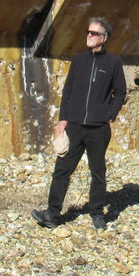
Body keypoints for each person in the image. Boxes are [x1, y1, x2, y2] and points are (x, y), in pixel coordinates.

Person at [32, 17, 126, 231]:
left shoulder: (113, 63)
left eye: (93, 33)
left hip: (98, 128)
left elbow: (120, 92)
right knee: (62, 170)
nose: (89, 36)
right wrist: (62, 120)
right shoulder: (79, 60)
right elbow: (68, 91)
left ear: (104, 38)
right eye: (88, 32)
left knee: (97, 172)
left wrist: (110, 114)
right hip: (74, 126)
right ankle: (52, 214)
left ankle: (97, 214)